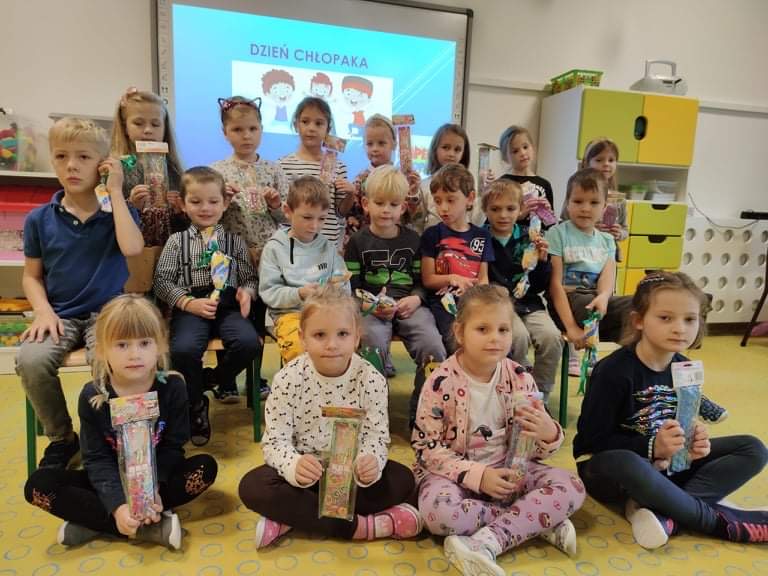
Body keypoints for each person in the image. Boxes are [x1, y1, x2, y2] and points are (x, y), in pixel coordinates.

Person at [574, 271, 768, 548]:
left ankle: (666, 513)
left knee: (753, 448)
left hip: (666, 467)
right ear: (638, 320)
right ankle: (716, 523)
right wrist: (652, 447)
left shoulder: (684, 367)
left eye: (690, 319)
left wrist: (692, 443)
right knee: (627, 461)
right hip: (612, 471)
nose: (680, 329)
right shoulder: (613, 371)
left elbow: (680, 423)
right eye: (666, 318)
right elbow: (590, 444)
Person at [413, 285, 585, 576]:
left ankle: (491, 538)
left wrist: (548, 433)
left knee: (572, 487)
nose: (495, 338)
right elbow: (425, 449)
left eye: (503, 330)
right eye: (483, 329)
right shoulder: (440, 381)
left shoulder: (520, 378)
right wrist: (478, 476)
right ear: (460, 332)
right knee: (437, 513)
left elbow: (535, 450)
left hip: (510, 472)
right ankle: (535, 521)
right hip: (453, 475)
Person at [24, 295, 217, 549]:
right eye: (122, 345)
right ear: (102, 350)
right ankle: (143, 527)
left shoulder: (173, 387)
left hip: (156, 478)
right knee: (38, 486)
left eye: (145, 343)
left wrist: (153, 490)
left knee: (205, 469)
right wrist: (117, 506)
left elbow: (173, 447)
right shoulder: (92, 395)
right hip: (108, 480)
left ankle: (93, 521)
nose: (135, 354)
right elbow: (96, 459)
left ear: (160, 346)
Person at [238, 285, 422, 548]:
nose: (332, 345)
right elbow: (275, 442)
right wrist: (294, 465)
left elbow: (376, 437)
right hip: (305, 478)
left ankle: (293, 517)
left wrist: (370, 462)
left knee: (403, 480)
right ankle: (360, 527)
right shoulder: (288, 379)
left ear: (356, 337)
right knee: (253, 486)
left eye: (343, 334)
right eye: (319, 335)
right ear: (303, 338)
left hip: (349, 477)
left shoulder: (371, 379)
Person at [17, 117, 144, 469]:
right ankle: (62, 437)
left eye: (84, 157)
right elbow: (31, 277)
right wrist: (43, 311)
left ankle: (107, 436)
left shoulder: (118, 211)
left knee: (108, 362)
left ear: (102, 164)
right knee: (31, 360)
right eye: (61, 156)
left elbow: (133, 248)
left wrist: (115, 192)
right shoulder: (39, 219)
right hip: (59, 314)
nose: (71, 165)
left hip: (108, 313)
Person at [153, 167, 261, 445]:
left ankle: (209, 380)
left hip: (228, 305)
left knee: (249, 343)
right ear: (183, 204)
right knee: (183, 349)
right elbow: (162, 281)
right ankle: (195, 405)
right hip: (191, 305)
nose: (205, 208)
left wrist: (247, 293)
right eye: (196, 201)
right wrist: (187, 303)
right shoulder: (176, 242)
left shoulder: (234, 242)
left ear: (225, 203)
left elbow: (250, 278)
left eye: (213, 201)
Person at [344, 165, 445, 427]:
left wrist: (416, 298)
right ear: (366, 204)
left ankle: (422, 409)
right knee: (372, 344)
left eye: (393, 204)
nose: (386, 210)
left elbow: (423, 282)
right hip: (371, 309)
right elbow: (352, 287)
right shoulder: (357, 242)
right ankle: (375, 413)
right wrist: (369, 304)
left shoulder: (413, 240)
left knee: (433, 346)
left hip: (410, 305)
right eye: (379, 203)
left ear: (403, 208)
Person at [483, 179, 562, 401]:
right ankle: (513, 394)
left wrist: (543, 262)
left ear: (521, 209)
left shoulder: (530, 236)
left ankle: (540, 397)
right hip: (499, 307)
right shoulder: (481, 237)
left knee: (551, 337)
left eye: (510, 209)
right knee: (516, 337)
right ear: (485, 211)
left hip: (530, 303)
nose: (503, 215)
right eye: (495, 209)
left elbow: (540, 285)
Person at [259, 176, 350, 365]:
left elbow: (344, 285)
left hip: (326, 313)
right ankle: (301, 384)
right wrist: (299, 293)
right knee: (300, 349)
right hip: (288, 315)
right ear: (287, 211)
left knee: (344, 345)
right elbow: (269, 293)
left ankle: (331, 384)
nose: (314, 225)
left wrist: (332, 291)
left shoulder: (328, 247)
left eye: (321, 219)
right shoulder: (275, 248)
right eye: (307, 217)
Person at [546, 168, 632, 347]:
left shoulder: (607, 240)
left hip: (597, 302)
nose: (585, 208)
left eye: (594, 202)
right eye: (578, 201)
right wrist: (571, 327)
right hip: (568, 302)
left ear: (604, 207)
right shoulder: (557, 234)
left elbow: (607, 280)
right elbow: (555, 285)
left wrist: (604, 297)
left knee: (639, 307)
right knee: (596, 307)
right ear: (567, 204)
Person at [421, 163, 494, 353]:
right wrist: (453, 278)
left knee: (490, 336)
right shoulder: (431, 234)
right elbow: (428, 279)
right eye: (438, 201)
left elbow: (483, 278)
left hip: (474, 301)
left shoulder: (482, 236)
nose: (443, 208)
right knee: (455, 338)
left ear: (470, 198)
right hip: (444, 302)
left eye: (451, 200)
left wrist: (477, 297)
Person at [211, 95, 288, 269]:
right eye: (237, 129)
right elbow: (207, 218)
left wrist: (276, 205)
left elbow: (289, 217)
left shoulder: (274, 170)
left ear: (261, 129)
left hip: (271, 254)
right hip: (231, 253)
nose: (246, 136)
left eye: (253, 129)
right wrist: (221, 203)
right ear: (225, 132)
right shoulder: (216, 173)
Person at [111, 87, 187, 246]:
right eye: (138, 123)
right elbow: (103, 218)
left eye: (155, 124)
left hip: (170, 251)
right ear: (125, 127)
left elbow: (187, 226)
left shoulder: (174, 171)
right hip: (129, 251)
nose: (148, 130)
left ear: (164, 128)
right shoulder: (115, 169)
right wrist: (131, 206)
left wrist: (180, 210)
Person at [279, 96, 356, 249]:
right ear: (296, 125)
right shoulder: (283, 165)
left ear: (328, 128)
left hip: (327, 245)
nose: (311, 128)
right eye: (305, 121)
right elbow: (283, 211)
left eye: (319, 123)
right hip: (294, 246)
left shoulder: (338, 167)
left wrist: (350, 194)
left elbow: (340, 212)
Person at [410, 124, 471, 233]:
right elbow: (417, 223)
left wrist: (483, 191)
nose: (451, 154)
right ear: (435, 149)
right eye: (445, 147)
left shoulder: (467, 186)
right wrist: (413, 194)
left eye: (457, 149)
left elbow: (474, 220)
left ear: (464, 153)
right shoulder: (424, 186)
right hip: (432, 242)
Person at [498, 125, 554, 229]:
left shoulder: (545, 184)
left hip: (539, 238)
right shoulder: (502, 183)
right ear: (505, 157)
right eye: (515, 151)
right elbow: (493, 221)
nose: (523, 153)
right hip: (512, 238)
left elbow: (550, 226)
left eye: (525, 147)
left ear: (533, 147)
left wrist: (548, 214)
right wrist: (518, 216)